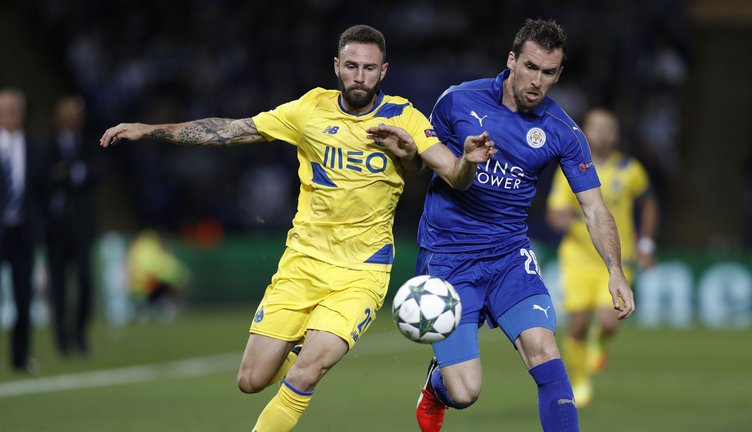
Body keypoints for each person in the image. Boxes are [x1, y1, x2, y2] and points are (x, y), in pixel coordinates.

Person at [100, 24, 495, 432]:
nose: (360, 76)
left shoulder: (404, 117)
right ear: (337, 66)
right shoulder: (309, 110)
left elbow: (453, 175)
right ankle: (301, 350)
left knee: (305, 375)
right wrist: (151, 130)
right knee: (251, 380)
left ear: (384, 71)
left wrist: (465, 160)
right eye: (352, 66)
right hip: (302, 264)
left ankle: (308, 357)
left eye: (370, 68)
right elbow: (231, 131)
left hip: (361, 272)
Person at [412, 19, 635, 432]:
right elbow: (416, 160)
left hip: (509, 257)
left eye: (548, 73)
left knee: (544, 349)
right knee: (465, 392)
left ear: (559, 74)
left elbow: (594, 207)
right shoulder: (458, 101)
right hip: (448, 257)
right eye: (530, 67)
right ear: (511, 60)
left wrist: (615, 270)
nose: (537, 81)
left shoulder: (562, 130)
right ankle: (438, 385)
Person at [546, 107, 658, 407]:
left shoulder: (629, 169)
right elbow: (554, 209)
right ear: (584, 131)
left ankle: (602, 341)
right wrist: (561, 217)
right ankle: (580, 381)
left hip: (617, 259)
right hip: (578, 257)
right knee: (578, 325)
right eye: (595, 127)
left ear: (616, 134)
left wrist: (646, 243)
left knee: (609, 321)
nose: (601, 133)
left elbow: (648, 204)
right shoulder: (570, 166)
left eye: (608, 128)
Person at [44, 94, 97, 356]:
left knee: (86, 280)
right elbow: (43, 180)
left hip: (82, 227)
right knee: (58, 286)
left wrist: (71, 174)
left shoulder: (90, 144)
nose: (74, 117)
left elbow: (100, 171)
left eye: (78, 113)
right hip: (55, 228)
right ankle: (62, 340)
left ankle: (80, 332)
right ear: (58, 117)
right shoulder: (47, 146)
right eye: (69, 112)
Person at [0, 88, 42, 374]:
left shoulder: (35, 148)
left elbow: (41, 192)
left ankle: (20, 357)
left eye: (12, 110)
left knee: (24, 296)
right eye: (3, 110)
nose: (8, 116)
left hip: (23, 232)